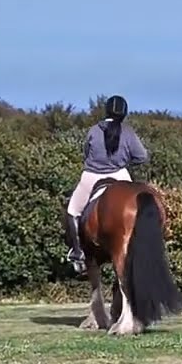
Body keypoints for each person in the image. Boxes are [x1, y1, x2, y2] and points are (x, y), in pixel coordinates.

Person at [64, 95, 149, 265]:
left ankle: (78, 251)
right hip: (120, 175)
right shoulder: (128, 132)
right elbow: (142, 157)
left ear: (107, 110)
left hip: (92, 175)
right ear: (124, 113)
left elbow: (86, 153)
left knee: (72, 211)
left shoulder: (94, 130)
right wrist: (125, 161)